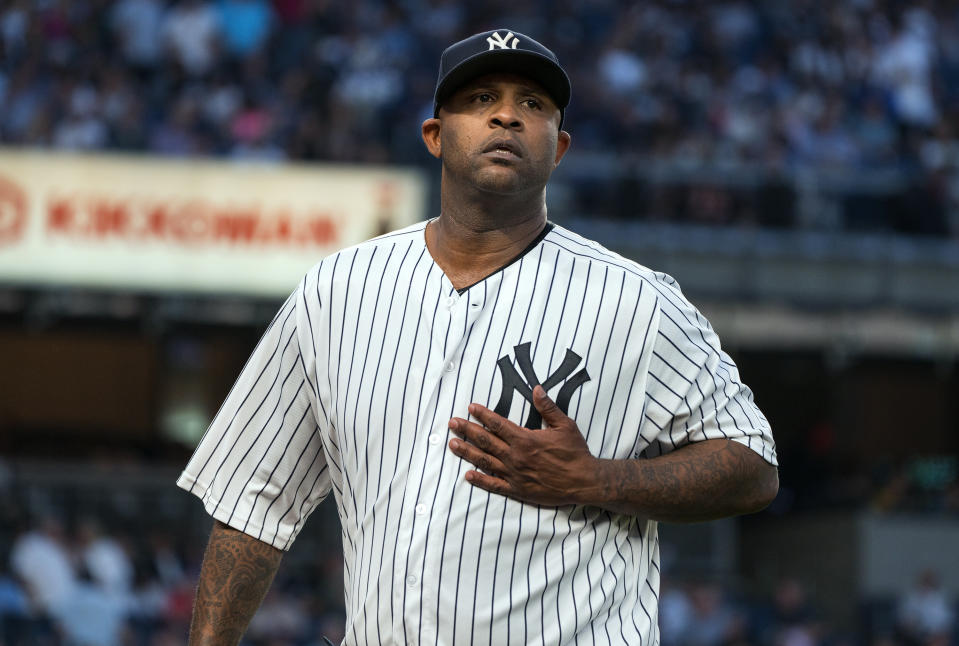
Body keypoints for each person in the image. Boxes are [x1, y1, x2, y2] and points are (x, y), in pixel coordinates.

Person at [177, 28, 779, 645]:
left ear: (559, 147)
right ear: (435, 136)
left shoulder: (637, 299)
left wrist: (598, 480)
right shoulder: (336, 290)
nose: (507, 116)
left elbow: (753, 467)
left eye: (533, 105)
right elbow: (252, 509)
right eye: (482, 97)